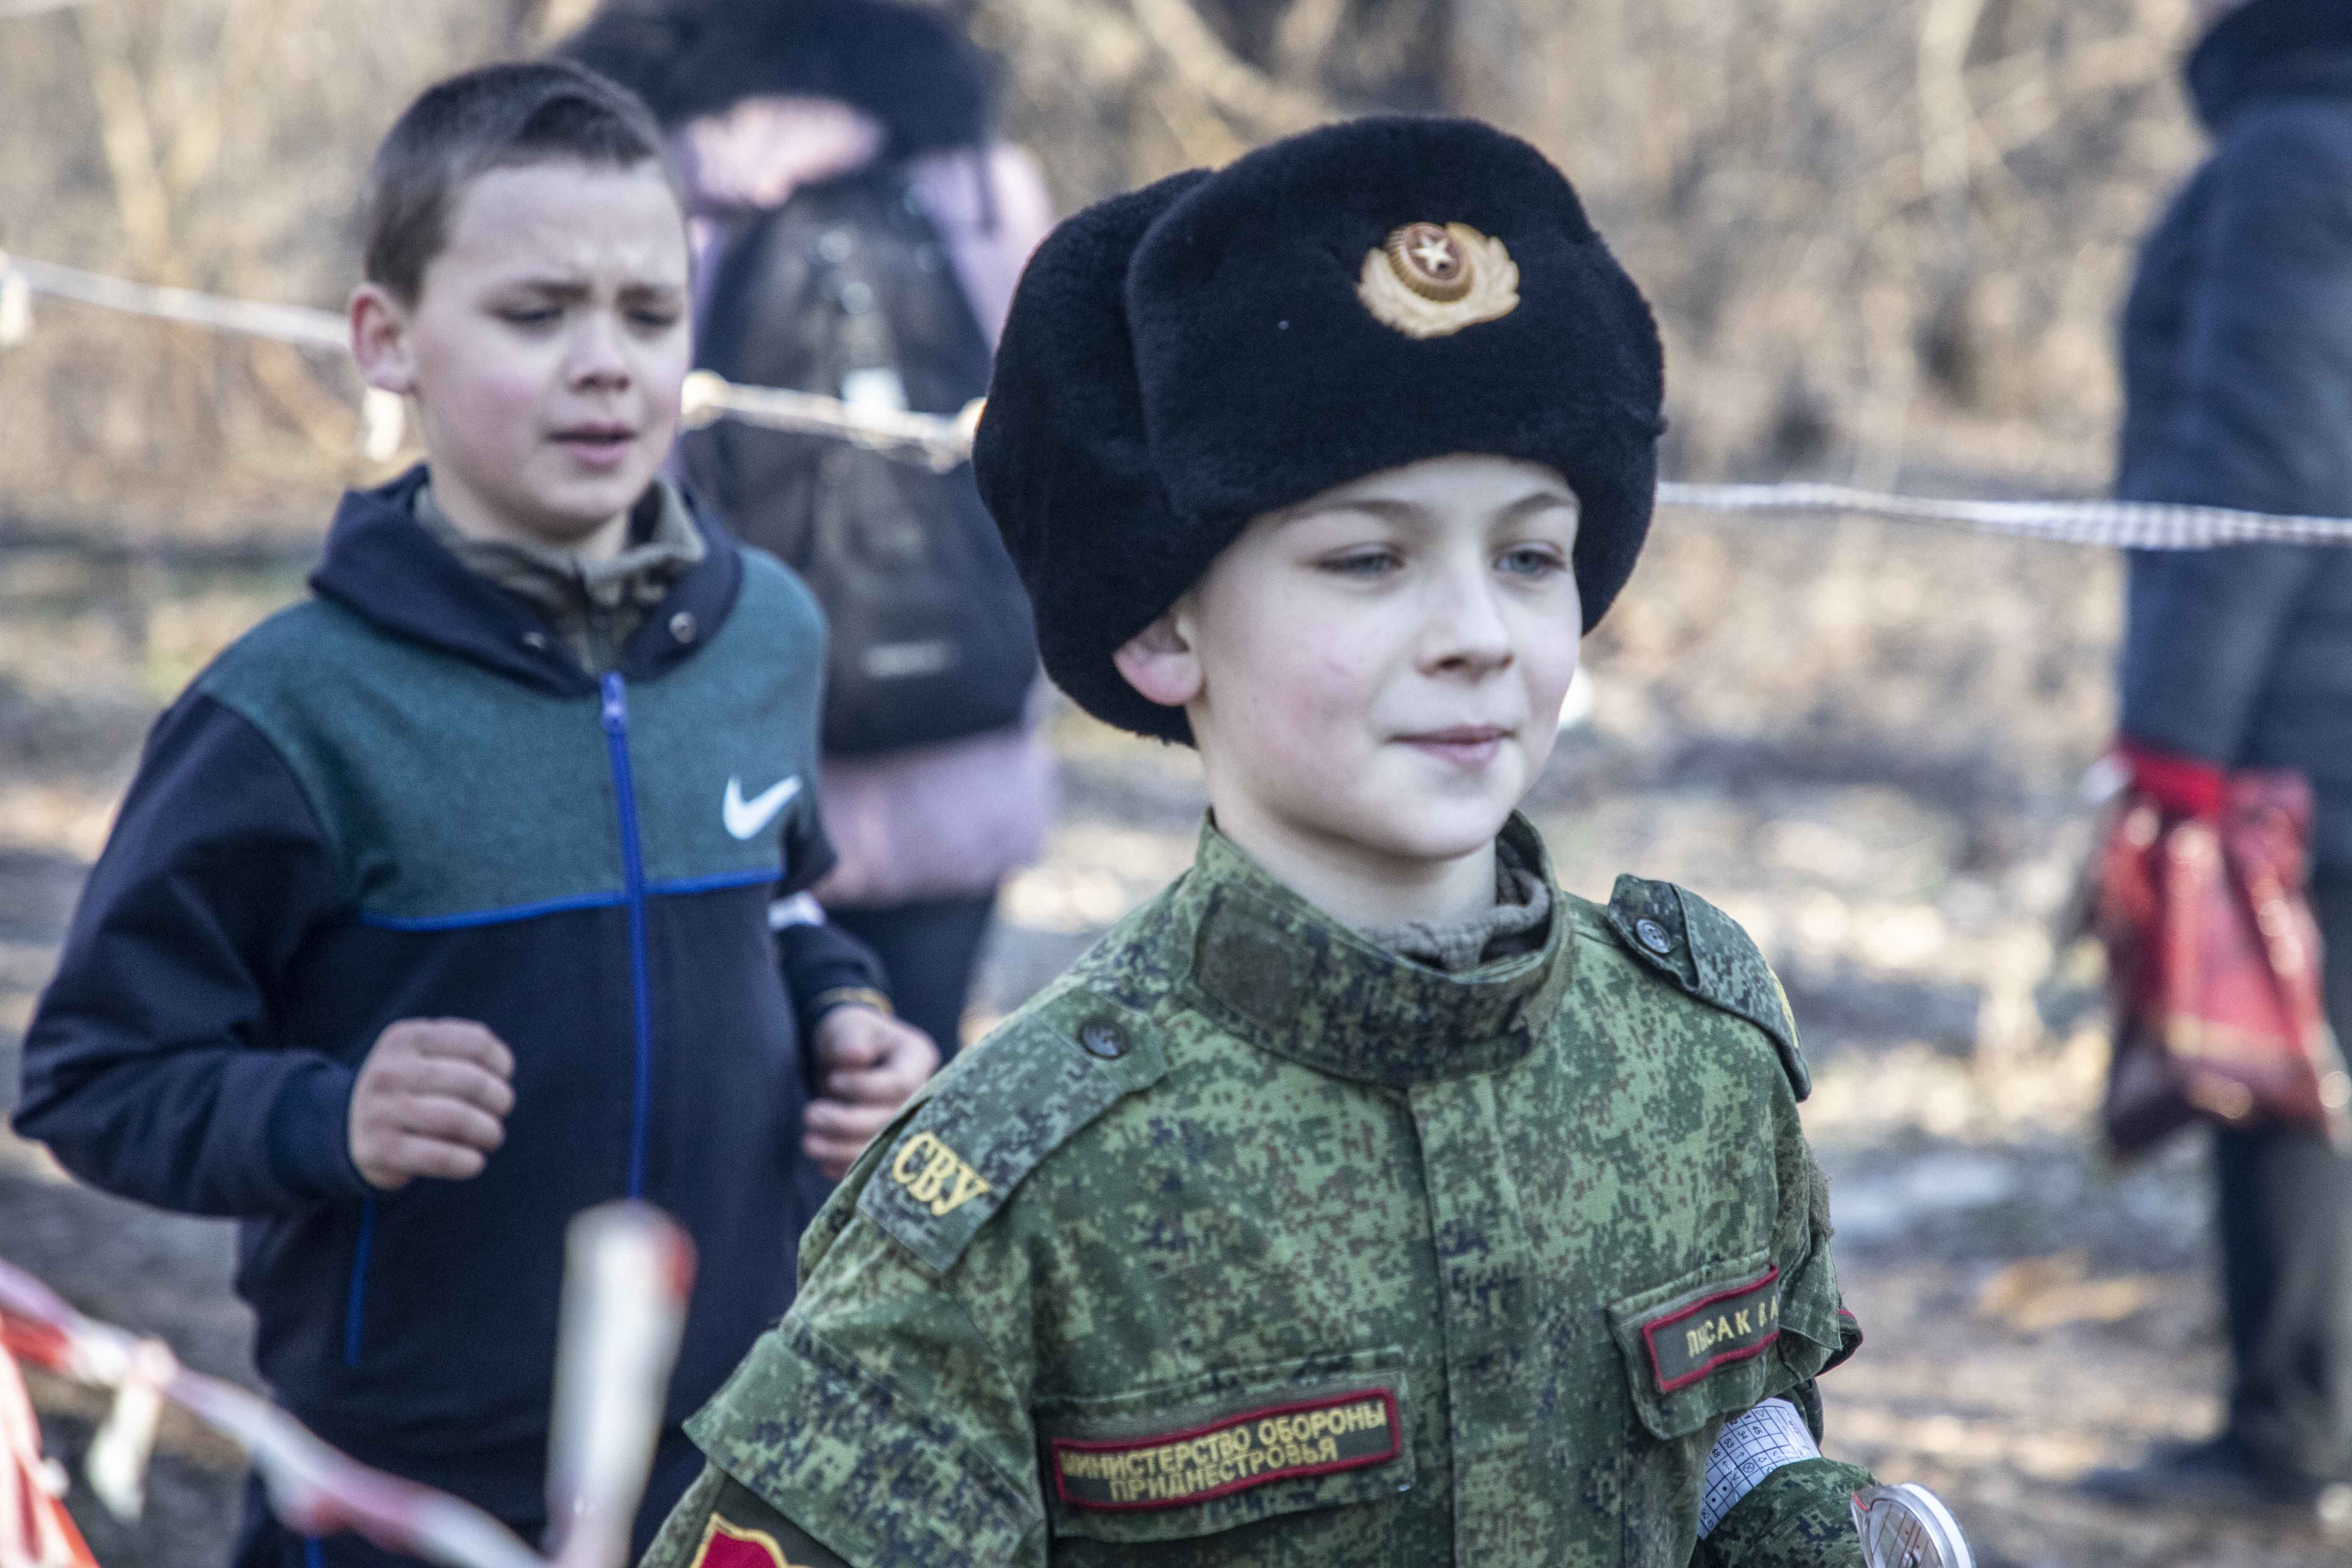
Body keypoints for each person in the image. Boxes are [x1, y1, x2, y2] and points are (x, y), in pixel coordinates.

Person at [639, 116, 1882, 1568]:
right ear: (1164, 627)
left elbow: (1740, 1449)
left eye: (1527, 556)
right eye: (1368, 559)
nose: (1476, 634)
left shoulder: (1698, 1065)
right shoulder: (1029, 1187)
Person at [10, 61, 938, 1565]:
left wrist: (849, 1016)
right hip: (402, 1492)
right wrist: (327, 1116)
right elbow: (91, 1078)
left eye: (648, 312)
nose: (605, 364)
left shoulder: (770, 631)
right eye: (536, 313)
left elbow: (785, 906)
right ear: (387, 340)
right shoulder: (288, 708)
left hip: (737, 1453)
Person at [562, 0, 1059, 1056]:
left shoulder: (650, 180)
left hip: (716, 765)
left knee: (722, 1110)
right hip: (955, 741)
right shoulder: (979, 182)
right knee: (904, 1090)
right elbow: (1046, 451)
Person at [2086, 0, 2352, 1516]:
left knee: (2280, 1074)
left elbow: (2259, 459)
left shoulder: (2295, 147)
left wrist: (2174, 737)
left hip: (2304, 723)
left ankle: (2286, 1443)